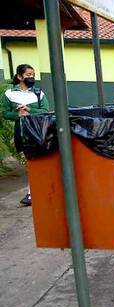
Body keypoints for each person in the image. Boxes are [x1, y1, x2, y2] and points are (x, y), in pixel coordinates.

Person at [0, 64, 50, 206]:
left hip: (37, 132)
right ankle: (33, 192)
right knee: (28, 162)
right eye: (28, 75)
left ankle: (31, 193)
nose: (31, 77)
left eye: (33, 75)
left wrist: (29, 109)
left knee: (35, 162)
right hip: (20, 132)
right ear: (19, 77)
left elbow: (46, 111)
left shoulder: (39, 93)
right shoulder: (9, 94)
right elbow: (4, 113)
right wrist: (18, 114)